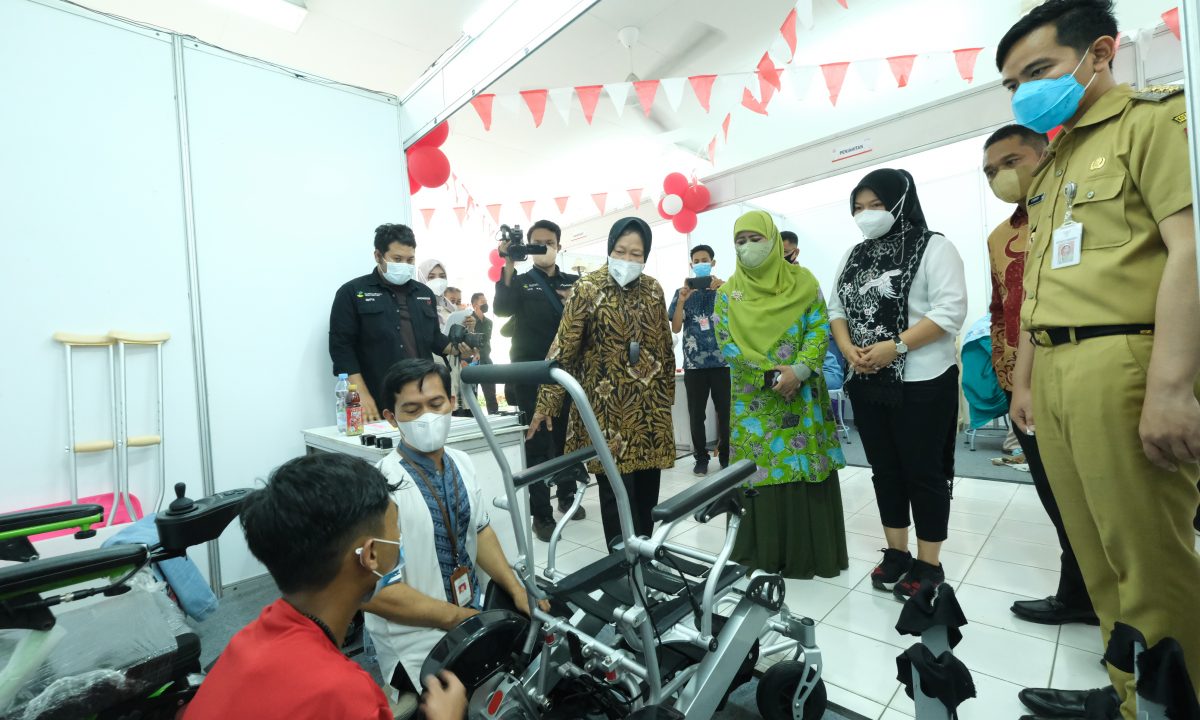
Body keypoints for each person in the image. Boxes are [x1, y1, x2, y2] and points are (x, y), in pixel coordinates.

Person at [996, 1, 1200, 717]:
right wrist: (1024, 379)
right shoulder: (1054, 164)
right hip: (1054, 373)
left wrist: (1173, 386)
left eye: (1039, 71)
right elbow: (1043, 286)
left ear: (1102, 53)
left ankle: (1178, 701)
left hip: (1123, 361)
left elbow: (1191, 250)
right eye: (1012, 83)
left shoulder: (1155, 122)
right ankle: (1127, 695)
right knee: (1097, 554)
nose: (1024, 92)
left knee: (1149, 559)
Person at [185, 453, 467, 720]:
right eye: (397, 529)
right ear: (370, 555)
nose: (400, 538)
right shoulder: (345, 696)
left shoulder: (245, 642)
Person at [363, 359, 543, 694]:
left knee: (541, 655)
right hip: (414, 639)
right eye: (412, 409)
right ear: (391, 417)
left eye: (435, 404)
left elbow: (479, 530)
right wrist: (458, 619)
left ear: (452, 402)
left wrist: (518, 589)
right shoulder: (380, 486)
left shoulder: (462, 461)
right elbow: (375, 594)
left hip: (468, 611)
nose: (427, 417)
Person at [829, 168, 967, 600]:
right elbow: (836, 308)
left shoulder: (934, 248)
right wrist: (849, 348)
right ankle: (896, 552)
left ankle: (928, 563)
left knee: (923, 473)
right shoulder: (854, 255)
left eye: (876, 205)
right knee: (885, 471)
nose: (867, 215)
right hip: (867, 380)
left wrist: (897, 346)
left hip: (922, 380)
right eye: (859, 208)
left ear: (900, 202)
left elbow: (949, 312)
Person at [982, 123, 1098, 627]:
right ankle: (1080, 592)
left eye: (1011, 162)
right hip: (1023, 387)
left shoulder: (1083, 207)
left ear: (1043, 154)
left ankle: (1141, 622)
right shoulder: (999, 236)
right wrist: (1007, 375)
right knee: (1056, 493)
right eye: (990, 171)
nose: (1001, 176)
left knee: (1107, 494)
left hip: (1086, 370)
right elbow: (1000, 308)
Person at [713, 210, 849, 579]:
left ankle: (813, 553)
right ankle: (764, 553)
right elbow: (726, 343)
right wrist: (771, 375)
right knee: (761, 472)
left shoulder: (803, 281)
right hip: (754, 399)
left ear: (773, 241)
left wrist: (800, 371)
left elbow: (820, 328)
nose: (747, 248)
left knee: (805, 465)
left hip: (801, 394)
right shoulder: (727, 294)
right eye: (740, 241)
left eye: (755, 239)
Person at [531, 217, 675, 547]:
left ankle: (646, 556)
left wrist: (667, 395)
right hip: (608, 413)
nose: (627, 259)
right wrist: (547, 404)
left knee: (646, 494)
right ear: (609, 250)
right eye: (620, 250)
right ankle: (621, 563)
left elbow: (665, 346)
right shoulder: (588, 288)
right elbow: (562, 348)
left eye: (636, 253)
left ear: (646, 256)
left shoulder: (653, 289)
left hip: (650, 414)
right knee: (615, 493)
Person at [494, 220, 583, 542]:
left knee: (567, 436)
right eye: (536, 242)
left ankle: (568, 494)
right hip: (530, 374)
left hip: (568, 372)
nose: (543, 247)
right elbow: (501, 309)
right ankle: (541, 514)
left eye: (549, 242)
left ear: (559, 245)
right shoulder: (520, 281)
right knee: (535, 442)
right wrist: (508, 262)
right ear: (528, 247)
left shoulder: (574, 281)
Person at [329, 224, 466, 423]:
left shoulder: (424, 293)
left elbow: (434, 338)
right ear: (378, 256)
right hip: (377, 396)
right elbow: (341, 349)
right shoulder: (352, 292)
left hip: (424, 395)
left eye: (410, 260)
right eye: (397, 259)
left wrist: (460, 347)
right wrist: (361, 395)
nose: (405, 265)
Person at [668, 244, 731, 476]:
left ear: (713, 263)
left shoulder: (726, 289)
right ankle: (701, 458)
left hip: (723, 362)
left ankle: (726, 455)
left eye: (705, 259)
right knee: (697, 414)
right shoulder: (681, 292)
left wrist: (725, 289)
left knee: (726, 412)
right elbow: (675, 327)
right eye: (697, 260)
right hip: (694, 365)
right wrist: (683, 300)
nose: (701, 262)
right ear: (691, 264)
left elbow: (741, 314)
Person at [470, 292, 499, 414]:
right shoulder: (469, 320)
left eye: (486, 301)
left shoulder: (489, 323)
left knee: (491, 393)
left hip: (487, 359)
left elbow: (487, 341)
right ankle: (474, 419)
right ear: (475, 305)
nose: (486, 304)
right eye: (483, 302)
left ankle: (494, 415)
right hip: (473, 360)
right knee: (472, 393)